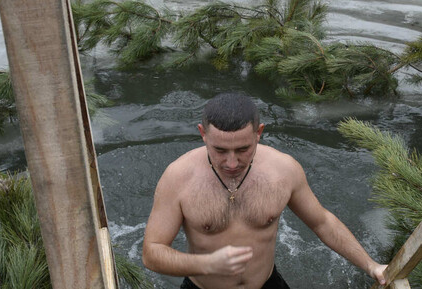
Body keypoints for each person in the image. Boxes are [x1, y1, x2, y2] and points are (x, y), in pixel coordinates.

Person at [142, 93, 389, 289]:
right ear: (202, 134)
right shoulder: (178, 177)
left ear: (259, 133)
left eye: (242, 150)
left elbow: (322, 222)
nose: (231, 163)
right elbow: (152, 252)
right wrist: (207, 264)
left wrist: (371, 266)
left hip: (267, 283)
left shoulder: (283, 170)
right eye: (219, 150)